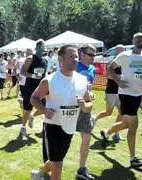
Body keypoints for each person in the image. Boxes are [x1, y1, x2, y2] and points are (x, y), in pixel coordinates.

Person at [30, 45, 92, 180]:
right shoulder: (50, 80)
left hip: (69, 127)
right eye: (71, 56)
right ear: (61, 59)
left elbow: (89, 105)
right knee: (58, 164)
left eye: (76, 56)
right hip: (53, 126)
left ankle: (39, 174)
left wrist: (84, 105)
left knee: (55, 160)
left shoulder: (82, 80)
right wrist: (45, 110)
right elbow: (34, 98)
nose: (75, 59)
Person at [100, 32, 142, 168]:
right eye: (137, 39)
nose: (140, 41)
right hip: (126, 94)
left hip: (137, 94)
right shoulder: (124, 55)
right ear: (133, 41)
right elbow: (109, 69)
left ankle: (106, 133)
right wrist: (118, 81)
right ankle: (133, 158)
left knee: (126, 123)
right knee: (133, 125)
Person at [95, 44, 125, 141]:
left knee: (122, 112)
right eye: (119, 50)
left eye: (122, 50)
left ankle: (116, 133)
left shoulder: (125, 63)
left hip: (121, 92)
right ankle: (94, 119)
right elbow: (108, 76)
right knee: (108, 112)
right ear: (116, 51)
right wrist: (120, 78)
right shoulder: (112, 62)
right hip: (111, 91)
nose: (121, 52)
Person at [75, 44, 97, 180]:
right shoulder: (74, 65)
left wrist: (90, 92)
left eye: (94, 55)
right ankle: (48, 167)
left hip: (85, 108)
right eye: (91, 55)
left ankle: (82, 169)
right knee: (63, 140)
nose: (93, 58)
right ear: (81, 54)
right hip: (71, 107)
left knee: (87, 137)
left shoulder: (92, 68)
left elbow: (89, 87)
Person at [20, 40, 47, 137]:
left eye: (43, 46)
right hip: (30, 87)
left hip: (41, 89)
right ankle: (23, 127)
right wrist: (32, 76)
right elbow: (22, 71)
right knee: (27, 109)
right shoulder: (30, 58)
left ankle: (33, 116)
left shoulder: (45, 60)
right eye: (41, 46)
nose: (42, 48)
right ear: (37, 47)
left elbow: (45, 75)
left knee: (44, 108)